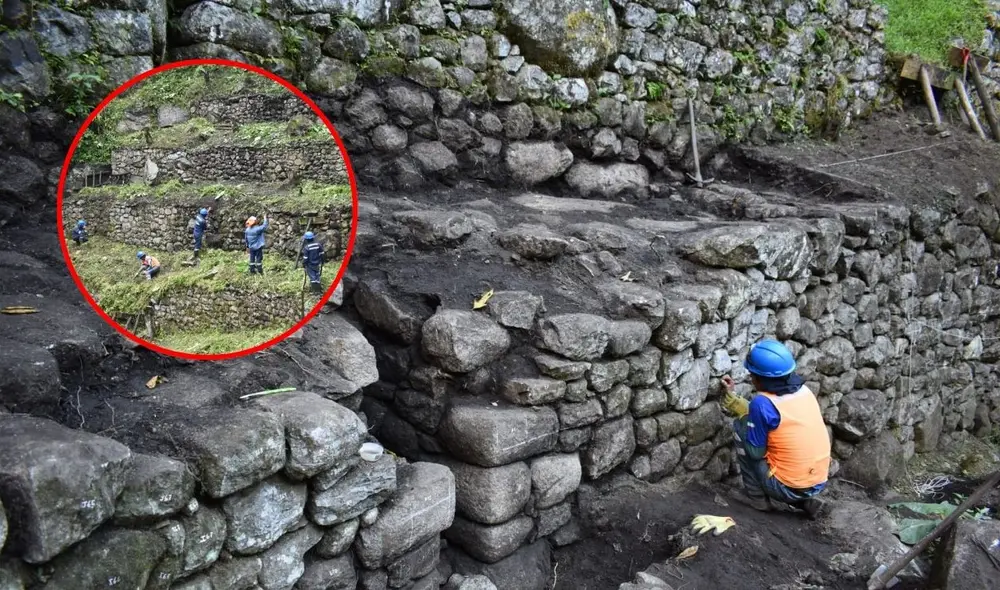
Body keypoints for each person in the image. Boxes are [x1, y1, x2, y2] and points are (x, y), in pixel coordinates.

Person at [721, 339, 831, 520]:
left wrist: (748, 425)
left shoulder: (761, 403)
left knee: (742, 428)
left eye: (752, 374)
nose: (750, 377)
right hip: (817, 480)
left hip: (786, 486)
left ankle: (758, 499)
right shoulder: (804, 391)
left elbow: (755, 453)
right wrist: (733, 398)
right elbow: (773, 418)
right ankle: (803, 501)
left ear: (760, 377)